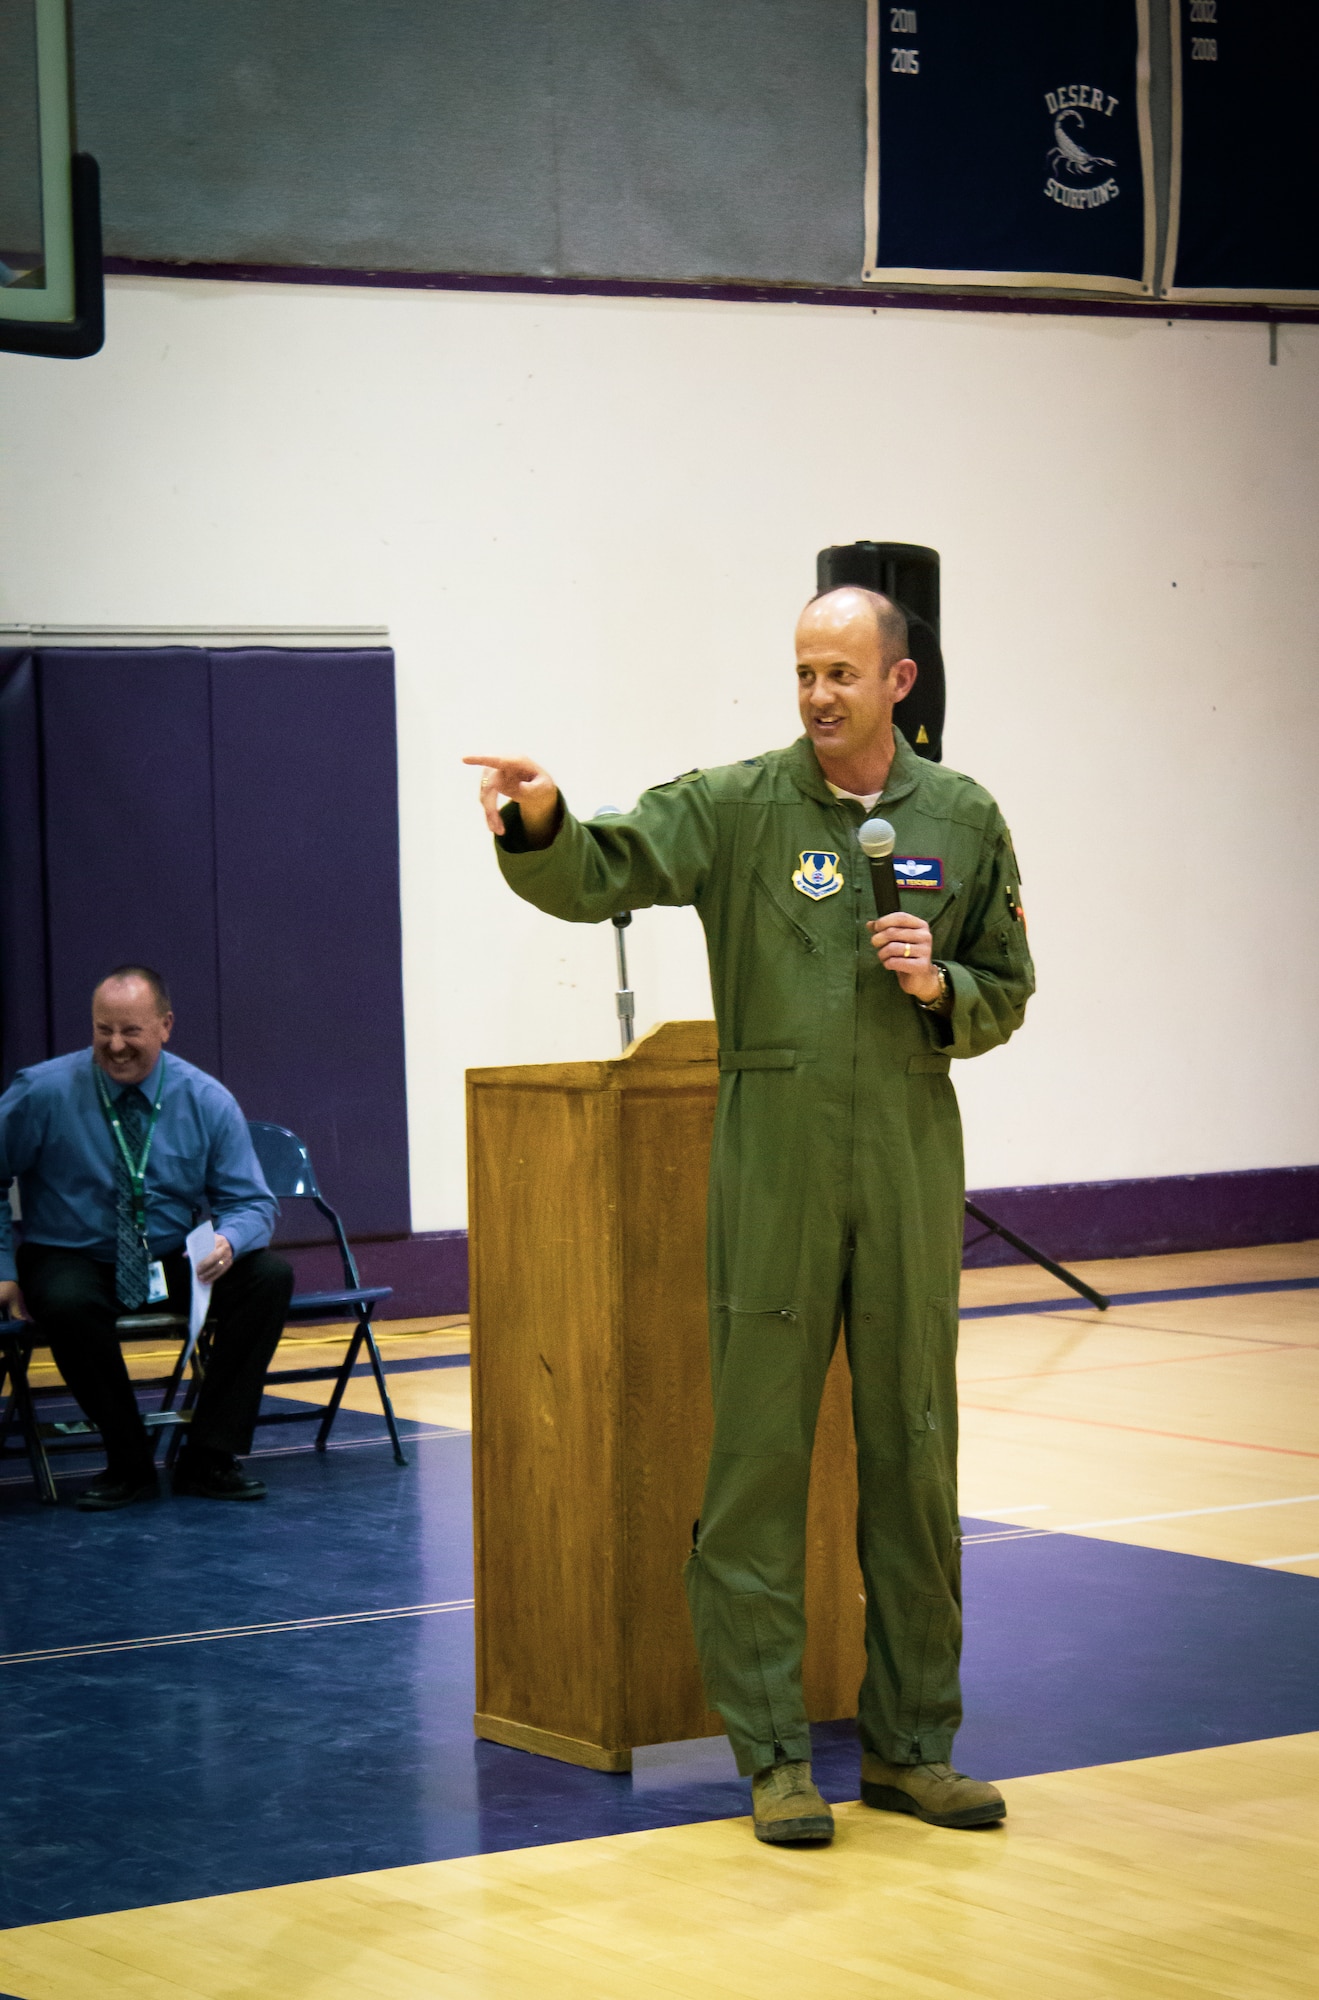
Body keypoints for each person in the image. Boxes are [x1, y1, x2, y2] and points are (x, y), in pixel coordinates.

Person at [466, 586, 1035, 1846]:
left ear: (898, 680)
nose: (816, 693)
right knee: (757, 1467)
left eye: (840, 671)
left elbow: (1008, 987)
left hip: (902, 1155)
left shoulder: (963, 816)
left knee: (913, 1455)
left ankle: (909, 1747)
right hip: (771, 1165)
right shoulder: (736, 803)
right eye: (800, 671)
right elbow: (604, 863)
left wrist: (940, 981)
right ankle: (775, 1757)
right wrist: (543, 819)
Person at [0, 966, 293, 1511]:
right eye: (102, 1029)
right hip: (73, 1254)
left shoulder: (206, 1099)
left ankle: (209, 1455)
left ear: (165, 1026)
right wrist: (3, 1269)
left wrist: (229, 1240)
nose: (114, 1046)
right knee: (65, 1302)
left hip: (167, 1254)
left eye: (130, 1031)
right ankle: (127, 1461)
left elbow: (253, 1203)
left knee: (269, 1277)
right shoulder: (39, 1092)